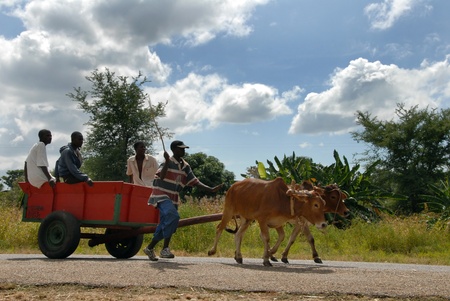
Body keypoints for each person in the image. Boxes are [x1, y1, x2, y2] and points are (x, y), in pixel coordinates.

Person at [143, 140, 224, 261]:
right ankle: (162, 248)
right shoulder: (168, 161)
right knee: (173, 216)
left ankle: (153, 248)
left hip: (173, 196)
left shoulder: (185, 166)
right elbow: (162, 175)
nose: (183, 151)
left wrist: (210, 189)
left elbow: (194, 181)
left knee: (168, 222)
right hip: (161, 194)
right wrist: (166, 161)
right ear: (174, 150)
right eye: (181, 149)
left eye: (184, 149)